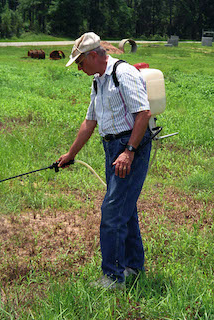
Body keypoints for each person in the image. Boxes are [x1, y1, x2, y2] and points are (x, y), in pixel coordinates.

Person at [57, 32, 152, 290]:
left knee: (112, 212)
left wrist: (129, 151)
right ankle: (133, 267)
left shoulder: (124, 73)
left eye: (80, 62)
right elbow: (90, 121)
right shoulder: (98, 80)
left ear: (94, 56)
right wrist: (71, 154)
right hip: (112, 148)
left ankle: (113, 277)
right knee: (125, 209)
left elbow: (144, 114)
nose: (79, 68)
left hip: (130, 147)